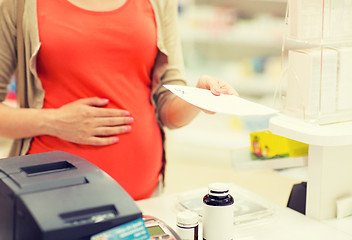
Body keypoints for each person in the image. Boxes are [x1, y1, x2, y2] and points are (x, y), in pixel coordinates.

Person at [0, 0, 239, 200]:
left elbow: (168, 106)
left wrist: (199, 98)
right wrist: (53, 121)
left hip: (143, 200)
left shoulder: (159, 2)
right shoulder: (19, 4)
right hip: (49, 199)